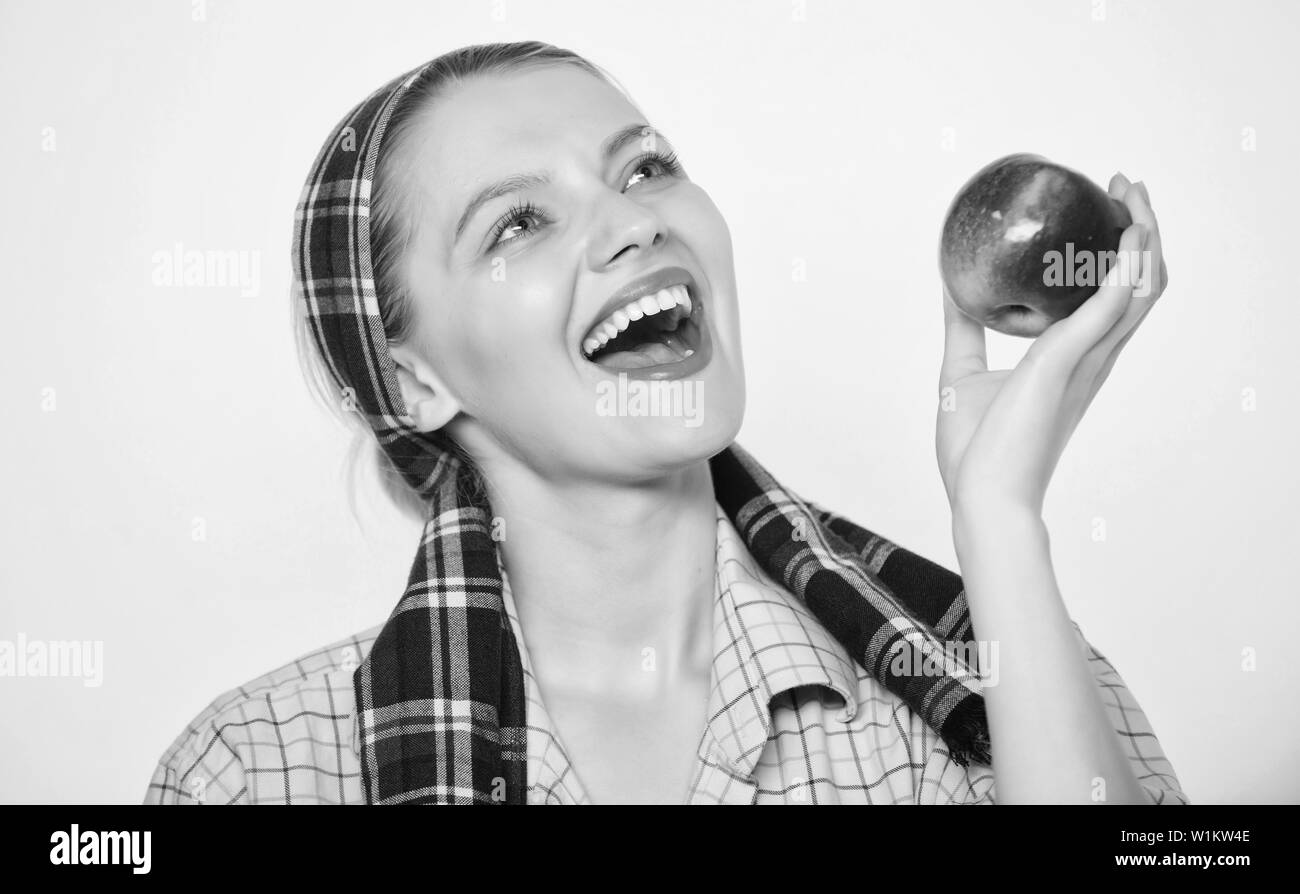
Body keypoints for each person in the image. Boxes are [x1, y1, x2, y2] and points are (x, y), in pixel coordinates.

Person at [144, 41, 1184, 805]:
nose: (636, 220)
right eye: (520, 221)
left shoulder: (1007, 663)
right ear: (410, 379)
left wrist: (999, 520)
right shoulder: (255, 770)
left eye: (645, 168)